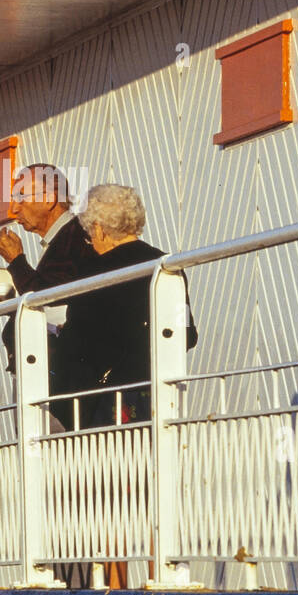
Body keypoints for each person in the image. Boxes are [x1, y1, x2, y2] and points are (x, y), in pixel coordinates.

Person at [52, 183, 198, 430]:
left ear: (99, 229)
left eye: (88, 235)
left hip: (106, 401)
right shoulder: (168, 266)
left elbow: (76, 343)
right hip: (160, 395)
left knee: (107, 467)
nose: (91, 242)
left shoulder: (92, 274)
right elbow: (188, 335)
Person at [0, 163, 97, 430]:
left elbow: (48, 299)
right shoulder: (64, 240)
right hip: (47, 371)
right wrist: (5, 303)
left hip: (54, 377)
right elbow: (49, 302)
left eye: (21, 198)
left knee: (48, 460)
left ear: (49, 199)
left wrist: (16, 261)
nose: (13, 210)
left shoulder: (72, 239)